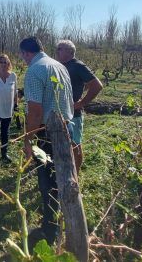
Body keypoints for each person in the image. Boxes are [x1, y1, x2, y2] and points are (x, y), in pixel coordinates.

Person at [19, 36, 75, 246]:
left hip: (46, 133)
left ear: (26, 52)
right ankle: (61, 220)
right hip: (65, 129)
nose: (23, 60)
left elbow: (35, 111)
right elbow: (68, 101)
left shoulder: (35, 70)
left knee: (47, 181)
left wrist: (27, 140)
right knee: (62, 177)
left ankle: (50, 229)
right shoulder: (60, 67)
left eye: (22, 55)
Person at [55, 40, 103, 169]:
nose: (57, 51)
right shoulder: (61, 66)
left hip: (74, 114)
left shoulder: (78, 65)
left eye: (60, 48)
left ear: (70, 51)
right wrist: (81, 89)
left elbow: (97, 85)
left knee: (75, 145)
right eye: (58, 48)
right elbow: (85, 84)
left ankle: (76, 177)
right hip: (62, 112)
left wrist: (81, 102)